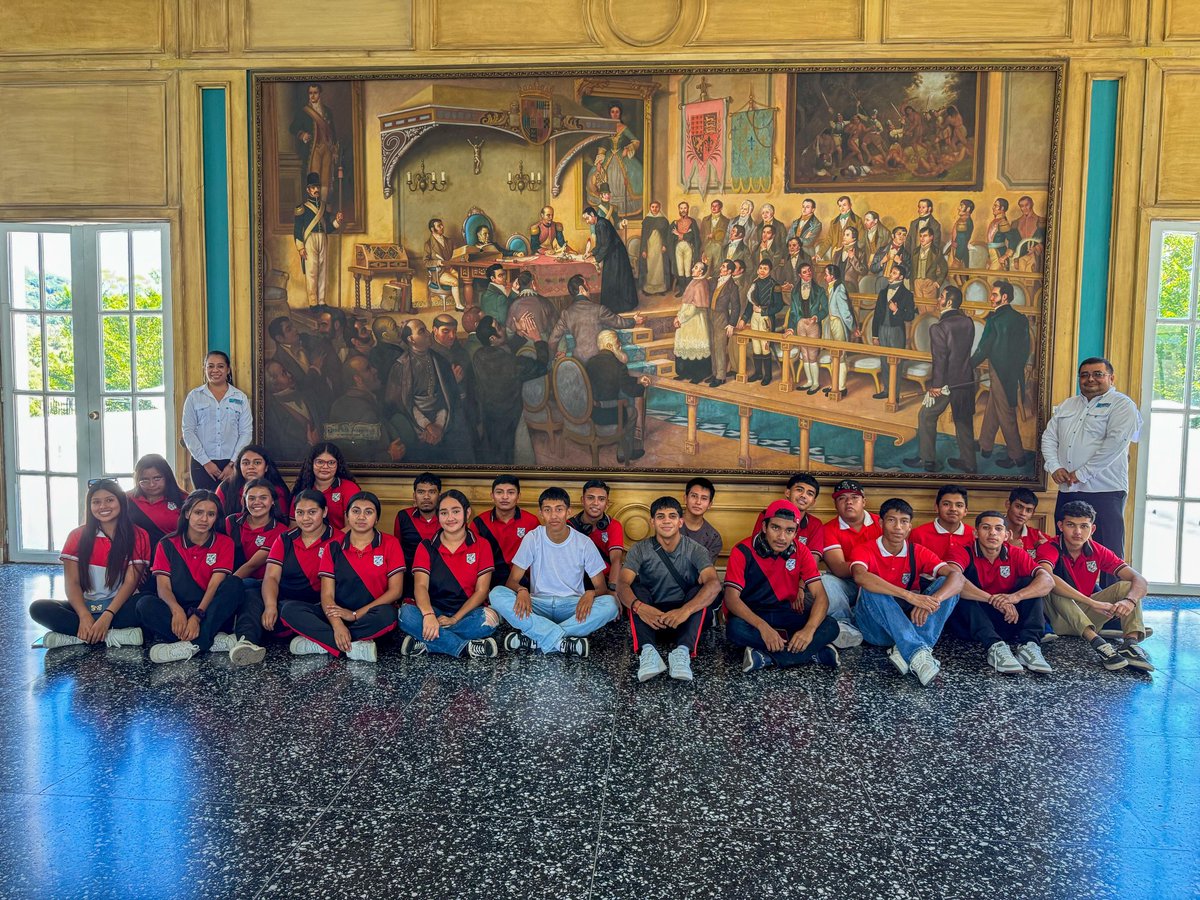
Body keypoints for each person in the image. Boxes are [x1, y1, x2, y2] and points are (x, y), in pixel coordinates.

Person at [489, 487, 617, 657]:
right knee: (496, 594)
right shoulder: (533, 538)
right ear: (541, 513)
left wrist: (591, 593)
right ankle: (561, 640)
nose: (554, 515)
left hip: (573, 606)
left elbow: (601, 587)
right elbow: (512, 581)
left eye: (559, 509)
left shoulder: (584, 543)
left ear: (568, 512)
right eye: (547, 510)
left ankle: (536, 637)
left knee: (611, 604)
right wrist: (521, 590)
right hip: (537, 605)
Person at [1041, 357, 1142, 571]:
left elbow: (1115, 444)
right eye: (1085, 375)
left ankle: (1111, 593)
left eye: (1098, 374)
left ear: (1111, 378)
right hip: (1069, 489)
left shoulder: (1122, 405)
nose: (1090, 379)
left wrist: (1082, 473)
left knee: (1109, 552)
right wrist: (1054, 466)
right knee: (1065, 550)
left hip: (1105, 490)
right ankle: (1067, 592)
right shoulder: (1068, 405)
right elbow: (1049, 437)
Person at [850, 498, 964, 687]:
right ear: (881, 523)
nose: (898, 527)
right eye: (891, 520)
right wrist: (911, 596)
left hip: (910, 625)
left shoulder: (918, 551)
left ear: (910, 526)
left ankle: (906, 650)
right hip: (876, 629)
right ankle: (917, 652)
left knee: (948, 584)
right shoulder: (865, 549)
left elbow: (958, 578)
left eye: (904, 521)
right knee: (872, 587)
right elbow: (860, 576)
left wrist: (932, 601)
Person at [29, 479, 150, 650]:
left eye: (109, 500)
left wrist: (107, 616)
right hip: (85, 606)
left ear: (121, 502)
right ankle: (113, 636)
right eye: (96, 502)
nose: (103, 506)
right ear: (89, 505)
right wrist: (84, 615)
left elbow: (131, 582)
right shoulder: (77, 535)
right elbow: (72, 583)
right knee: (38, 608)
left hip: (120, 606)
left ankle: (78, 636)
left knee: (146, 604)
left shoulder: (138, 535)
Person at [724, 500, 841, 674]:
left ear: (795, 533)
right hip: (753, 616)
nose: (782, 537)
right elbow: (731, 599)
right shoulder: (742, 550)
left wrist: (808, 630)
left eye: (789, 531)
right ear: (764, 527)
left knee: (831, 625)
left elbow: (821, 597)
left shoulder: (802, 551)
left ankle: (766, 657)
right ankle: (811, 654)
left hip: (785, 612)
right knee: (734, 629)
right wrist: (763, 627)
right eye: (775, 528)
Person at [1035, 500, 1153, 672]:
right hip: (1059, 619)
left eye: (1084, 526)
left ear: (1092, 529)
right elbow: (1046, 577)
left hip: (1087, 617)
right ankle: (1099, 644)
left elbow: (1140, 579)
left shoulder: (1098, 551)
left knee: (1128, 586)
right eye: (1071, 525)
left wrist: (1129, 601)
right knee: (1052, 584)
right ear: (1060, 526)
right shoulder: (1049, 547)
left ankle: (1130, 644)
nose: (1078, 532)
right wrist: (1092, 602)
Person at [283, 492, 403, 661]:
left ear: (377, 518)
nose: (361, 517)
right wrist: (338, 625)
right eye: (356, 511)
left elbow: (396, 591)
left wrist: (354, 614)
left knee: (388, 615)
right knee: (289, 610)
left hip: (369, 615)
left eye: (368, 512)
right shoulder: (333, 547)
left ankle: (324, 643)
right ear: (347, 515)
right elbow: (327, 595)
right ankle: (352, 646)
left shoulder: (390, 543)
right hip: (336, 614)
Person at [618, 497, 721, 682]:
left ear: (680, 522)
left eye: (672, 516)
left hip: (684, 620)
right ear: (652, 522)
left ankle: (682, 653)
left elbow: (714, 584)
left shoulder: (695, 549)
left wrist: (685, 611)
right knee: (636, 588)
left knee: (700, 590)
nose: (666, 521)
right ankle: (648, 652)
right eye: (660, 516)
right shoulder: (639, 549)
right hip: (651, 618)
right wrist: (640, 607)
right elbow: (622, 584)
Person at [135, 490, 243, 664]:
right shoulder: (166, 543)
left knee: (234, 584)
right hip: (179, 610)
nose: (204, 519)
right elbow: (163, 587)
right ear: (187, 513)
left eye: (211, 514)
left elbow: (214, 586)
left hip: (209, 610)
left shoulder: (225, 542)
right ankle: (209, 641)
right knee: (144, 604)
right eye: (198, 512)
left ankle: (192, 645)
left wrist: (197, 616)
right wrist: (176, 610)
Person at [945, 510, 1055, 675]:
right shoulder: (962, 551)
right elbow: (951, 580)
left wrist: (1014, 597)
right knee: (960, 585)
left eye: (998, 528)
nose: (992, 533)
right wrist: (994, 600)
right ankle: (994, 647)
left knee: (1031, 584)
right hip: (972, 623)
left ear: (1006, 535)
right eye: (986, 528)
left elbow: (1048, 581)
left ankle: (1029, 646)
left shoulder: (1016, 553)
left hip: (1008, 619)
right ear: (976, 533)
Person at [399, 489, 501, 658]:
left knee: (490, 619)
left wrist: (455, 619)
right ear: (438, 516)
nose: (450, 518)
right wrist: (429, 615)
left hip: (466, 613)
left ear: (467, 513)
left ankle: (427, 642)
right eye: (444, 513)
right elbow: (420, 586)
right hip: (433, 610)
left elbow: (482, 591)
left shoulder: (482, 545)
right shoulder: (426, 546)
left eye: (456, 511)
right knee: (406, 615)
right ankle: (464, 648)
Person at [215, 478, 291, 666]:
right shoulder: (230, 522)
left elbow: (251, 566)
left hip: (262, 583)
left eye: (263, 497)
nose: (257, 502)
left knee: (248, 589)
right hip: (227, 577)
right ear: (244, 500)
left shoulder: (280, 530)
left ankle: (244, 641)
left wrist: (227, 586)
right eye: (252, 498)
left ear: (273, 501)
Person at [904, 284, 977, 473]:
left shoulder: (938, 328)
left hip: (946, 384)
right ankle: (970, 463)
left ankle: (927, 460)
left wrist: (936, 385)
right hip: (966, 380)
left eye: (942, 297)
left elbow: (940, 360)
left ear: (949, 302)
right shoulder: (968, 322)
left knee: (926, 416)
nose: (938, 299)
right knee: (963, 420)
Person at [385, 318, 475, 464]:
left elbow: (447, 397)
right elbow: (400, 404)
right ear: (411, 339)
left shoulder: (440, 360)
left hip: (443, 420)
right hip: (415, 426)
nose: (428, 333)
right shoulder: (400, 367)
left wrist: (439, 425)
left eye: (426, 329)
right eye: (422, 331)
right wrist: (427, 426)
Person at [260, 489, 335, 653]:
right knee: (249, 589)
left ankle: (339, 643)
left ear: (324, 512)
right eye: (300, 512)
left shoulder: (338, 540)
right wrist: (270, 606)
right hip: (284, 599)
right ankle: (247, 643)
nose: (305, 518)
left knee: (290, 610)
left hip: (317, 606)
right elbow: (271, 577)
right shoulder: (285, 538)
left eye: (312, 512)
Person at [472, 314, 550, 464]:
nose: (503, 328)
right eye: (499, 327)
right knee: (521, 459)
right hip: (512, 418)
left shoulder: (478, 356)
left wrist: (519, 335)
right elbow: (541, 367)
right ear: (492, 338)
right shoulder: (511, 364)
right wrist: (538, 339)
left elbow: (503, 351)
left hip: (490, 419)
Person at [970, 280, 1030, 468]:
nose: (991, 297)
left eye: (994, 294)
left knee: (1005, 413)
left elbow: (983, 349)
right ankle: (985, 445)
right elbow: (1025, 349)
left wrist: (967, 365)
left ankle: (1017, 455)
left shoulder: (994, 319)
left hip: (998, 370)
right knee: (993, 407)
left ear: (1004, 297)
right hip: (1013, 371)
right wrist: (1016, 367)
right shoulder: (1021, 318)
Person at [181, 350, 252, 491]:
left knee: (231, 501)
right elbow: (188, 431)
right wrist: (206, 462)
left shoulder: (240, 397)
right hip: (201, 463)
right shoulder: (194, 396)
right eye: (210, 366)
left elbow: (246, 432)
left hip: (232, 463)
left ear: (228, 369)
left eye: (220, 366)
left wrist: (233, 463)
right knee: (204, 501)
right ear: (205, 368)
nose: (215, 370)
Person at [818, 479, 877, 647]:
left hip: (877, 580)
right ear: (835, 504)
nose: (849, 502)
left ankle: (862, 623)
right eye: (842, 498)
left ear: (864, 501)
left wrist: (865, 571)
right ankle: (845, 625)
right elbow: (839, 568)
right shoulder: (828, 529)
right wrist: (864, 568)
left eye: (854, 497)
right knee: (825, 580)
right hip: (848, 582)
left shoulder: (881, 523)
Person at [548, 273, 644, 363]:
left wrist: (553, 356)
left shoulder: (566, 313)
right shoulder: (598, 309)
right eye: (587, 284)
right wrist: (633, 321)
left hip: (578, 360)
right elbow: (617, 322)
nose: (589, 288)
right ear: (581, 289)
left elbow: (553, 339)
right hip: (598, 359)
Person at [588, 331, 650, 463]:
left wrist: (637, 379)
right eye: (618, 344)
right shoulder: (619, 366)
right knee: (632, 412)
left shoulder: (590, 362)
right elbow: (630, 390)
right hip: (608, 415)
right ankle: (625, 452)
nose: (620, 346)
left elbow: (621, 380)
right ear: (610, 346)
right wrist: (642, 386)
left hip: (591, 413)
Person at [471, 475, 541, 590]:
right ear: (492, 496)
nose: (505, 497)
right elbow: (473, 560)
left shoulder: (531, 522)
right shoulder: (479, 523)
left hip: (523, 584)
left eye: (511, 492)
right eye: (499, 492)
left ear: (518, 496)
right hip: (489, 584)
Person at [293, 172, 344, 306]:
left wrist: (337, 221)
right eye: (313, 187)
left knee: (322, 271)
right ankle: (313, 303)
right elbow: (297, 230)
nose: (316, 190)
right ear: (308, 190)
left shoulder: (324, 207)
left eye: (317, 187)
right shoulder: (302, 208)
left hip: (323, 239)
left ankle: (322, 301)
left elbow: (328, 228)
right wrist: (300, 248)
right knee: (312, 272)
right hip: (310, 240)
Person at [568, 480, 625, 591]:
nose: (595, 503)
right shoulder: (569, 526)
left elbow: (616, 560)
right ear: (582, 500)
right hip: (579, 581)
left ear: (607, 503)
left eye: (601, 499)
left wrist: (612, 590)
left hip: (607, 580)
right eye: (590, 498)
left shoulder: (614, 525)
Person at [290, 442, 360, 531]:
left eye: (331, 462)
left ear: (338, 465)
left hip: (340, 539)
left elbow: (352, 527)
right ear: (311, 464)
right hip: (308, 539)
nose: (325, 467)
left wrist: (331, 539)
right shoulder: (302, 489)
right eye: (320, 462)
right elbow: (294, 527)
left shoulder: (349, 488)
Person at [753, 473, 826, 559]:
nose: (803, 495)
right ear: (788, 492)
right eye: (799, 490)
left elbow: (813, 561)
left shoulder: (815, 524)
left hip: (799, 568)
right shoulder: (768, 515)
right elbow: (757, 550)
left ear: (813, 502)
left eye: (810, 494)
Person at [870, 263, 915, 400]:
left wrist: (896, 311)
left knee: (896, 362)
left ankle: (894, 394)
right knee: (884, 361)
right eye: (891, 272)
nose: (890, 274)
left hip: (897, 331)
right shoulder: (883, 292)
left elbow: (910, 316)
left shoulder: (907, 294)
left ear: (901, 277)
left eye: (894, 273)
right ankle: (886, 390)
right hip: (882, 330)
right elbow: (877, 315)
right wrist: (875, 335)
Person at [583, 206, 638, 314]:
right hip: (611, 254)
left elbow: (606, 245)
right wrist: (591, 253)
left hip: (616, 254)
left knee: (615, 279)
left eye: (587, 218)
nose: (587, 221)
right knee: (611, 279)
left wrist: (596, 259)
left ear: (592, 215)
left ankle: (620, 306)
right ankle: (612, 306)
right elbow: (600, 244)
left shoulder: (602, 224)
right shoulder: (598, 224)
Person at [783, 262, 828, 394]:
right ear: (799, 275)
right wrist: (791, 328)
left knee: (812, 355)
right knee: (804, 355)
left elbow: (825, 309)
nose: (808, 273)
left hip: (813, 325)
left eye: (809, 270)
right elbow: (793, 312)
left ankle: (816, 383)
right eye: (804, 272)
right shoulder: (795, 291)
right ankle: (809, 381)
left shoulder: (819, 290)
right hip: (800, 324)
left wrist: (816, 317)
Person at [127, 454, 188, 549]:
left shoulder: (185, 499)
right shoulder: (127, 499)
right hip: (136, 554)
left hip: (173, 553)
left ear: (167, 477)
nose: (151, 484)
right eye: (144, 480)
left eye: (157, 478)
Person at [393, 472, 443, 587]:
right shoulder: (403, 517)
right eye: (421, 492)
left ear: (439, 496)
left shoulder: (448, 519)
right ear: (414, 495)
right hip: (409, 580)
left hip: (441, 579)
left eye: (432, 492)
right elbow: (397, 553)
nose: (426, 497)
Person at [215, 444, 290, 519]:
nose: (251, 467)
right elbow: (216, 518)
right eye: (246, 463)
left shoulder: (277, 491)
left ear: (266, 467)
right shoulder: (226, 487)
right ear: (239, 467)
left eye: (257, 463)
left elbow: (282, 520)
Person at [738, 259, 783, 386]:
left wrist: (763, 311)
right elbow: (750, 304)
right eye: (761, 268)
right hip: (754, 317)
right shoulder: (755, 284)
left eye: (765, 269)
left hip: (766, 319)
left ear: (770, 271)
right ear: (758, 269)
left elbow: (778, 306)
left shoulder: (775, 286)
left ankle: (767, 375)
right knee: (756, 345)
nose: (762, 271)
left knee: (765, 346)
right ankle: (758, 373)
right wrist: (744, 319)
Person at [672, 261, 712, 384]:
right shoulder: (694, 281)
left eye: (696, 268)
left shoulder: (701, 284)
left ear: (701, 272)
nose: (693, 269)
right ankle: (685, 373)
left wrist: (680, 318)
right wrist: (678, 316)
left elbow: (694, 308)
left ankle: (698, 375)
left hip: (696, 320)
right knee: (686, 346)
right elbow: (686, 304)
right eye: (694, 267)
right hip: (686, 319)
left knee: (695, 346)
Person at [911, 485, 975, 560]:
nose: (953, 509)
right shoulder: (918, 534)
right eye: (946, 504)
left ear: (965, 511)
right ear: (936, 507)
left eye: (959, 505)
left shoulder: (974, 535)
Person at [708, 259, 741, 386]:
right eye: (722, 266)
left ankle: (721, 377)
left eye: (723, 267)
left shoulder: (733, 286)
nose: (721, 268)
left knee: (720, 347)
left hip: (722, 317)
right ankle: (714, 373)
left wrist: (732, 324)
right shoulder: (714, 280)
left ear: (730, 271)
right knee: (712, 345)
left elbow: (736, 306)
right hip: (710, 315)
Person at [823, 264, 853, 397]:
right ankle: (834, 384)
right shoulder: (832, 287)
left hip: (838, 324)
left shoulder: (839, 288)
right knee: (833, 355)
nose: (825, 277)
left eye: (826, 275)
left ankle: (841, 387)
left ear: (832, 276)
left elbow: (846, 312)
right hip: (832, 323)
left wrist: (853, 328)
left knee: (840, 356)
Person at [423, 217, 463, 311]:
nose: (442, 227)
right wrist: (437, 262)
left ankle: (464, 304)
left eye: (442, 225)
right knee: (455, 281)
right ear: (432, 229)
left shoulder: (449, 241)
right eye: (439, 226)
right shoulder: (428, 245)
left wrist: (461, 256)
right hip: (439, 273)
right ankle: (458, 305)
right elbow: (425, 262)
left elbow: (457, 253)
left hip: (450, 269)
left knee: (463, 278)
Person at [680, 477, 722, 566]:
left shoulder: (713, 537)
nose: (698, 502)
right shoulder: (669, 525)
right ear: (685, 498)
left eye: (704, 498)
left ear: (710, 504)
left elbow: (705, 569)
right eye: (694, 496)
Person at [1004, 487, 1052, 558]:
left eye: (1028, 510)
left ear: (1033, 513)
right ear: (1008, 504)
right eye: (1018, 507)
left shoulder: (1038, 537)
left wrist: (1048, 550)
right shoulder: (991, 531)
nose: (1023, 513)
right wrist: (1007, 549)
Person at [638, 200, 671, 295]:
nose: (655, 209)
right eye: (653, 207)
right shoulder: (647, 220)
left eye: (656, 207)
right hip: (649, 247)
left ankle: (660, 289)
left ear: (659, 208)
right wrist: (644, 250)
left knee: (660, 267)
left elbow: (667, 235)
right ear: (650, 208)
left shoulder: (664, 220)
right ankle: (649, 289)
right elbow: (644, 236)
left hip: (660, 247)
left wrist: (664, 245)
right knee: (650, 266)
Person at [670, 200, 701, 295]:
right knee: (680, 269)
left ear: (687, 209)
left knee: (687, 269)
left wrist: (679, 234)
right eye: (681, 208)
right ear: (679, 210)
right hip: (678, 248)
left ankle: (688, 291)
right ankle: (682, 290)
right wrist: (685, 234)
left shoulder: (692, 222)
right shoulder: (675, 222)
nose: (683, 210)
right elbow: (671, 237)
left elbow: (693, 236)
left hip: (688, 247)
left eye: (685, 208)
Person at [910, 226, 948, 300]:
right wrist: (912, 287)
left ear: (931, 237)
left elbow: (944, 268)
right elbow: (912, 270)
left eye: (925, 236)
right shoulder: (915, 252)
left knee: (930, 305)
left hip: (930, 284)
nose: (922, 238)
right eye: (920, 236)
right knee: (919, 305)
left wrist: (938, 282)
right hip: (916, 283)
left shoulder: (936, 252)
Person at [699, 199, 729, 274]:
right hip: (707, 245)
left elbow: (726, 236)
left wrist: (715, 236)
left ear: (721, 208)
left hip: (719, 247)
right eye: (712, 206)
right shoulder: (705, 219)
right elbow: (701, 234)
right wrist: (705, 240)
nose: (713, 207)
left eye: (716, 206)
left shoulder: (726, 221)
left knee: (717, 267)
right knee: (706, 266)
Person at [950, 199, 975, 269]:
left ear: (968, 209)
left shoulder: (963, 223)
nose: (958, 208)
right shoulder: (962, 220)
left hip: (960, 255)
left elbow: (962, 242)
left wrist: (957, 259)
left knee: (956, 273)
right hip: (957, 252)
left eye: (961, 206)